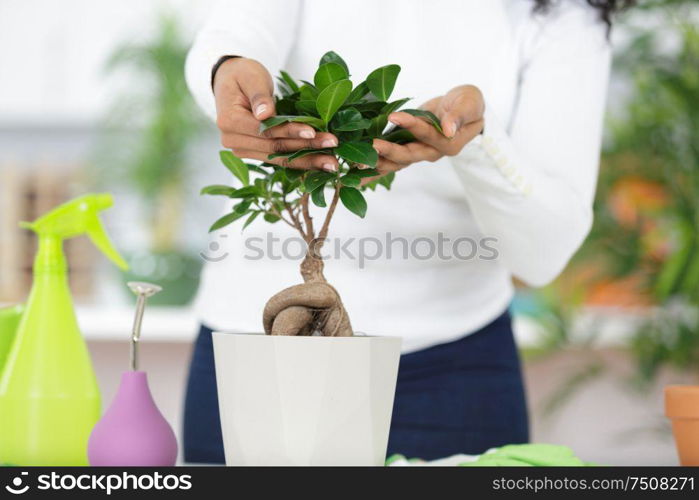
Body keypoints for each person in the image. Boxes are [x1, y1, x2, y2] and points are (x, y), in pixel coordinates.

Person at [183, 0, 626, 463]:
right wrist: (227, 68)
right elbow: (236, 33)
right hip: (256, 355)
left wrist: (477, 142)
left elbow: (543, 254)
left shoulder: (562, 13)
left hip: (452, 369)